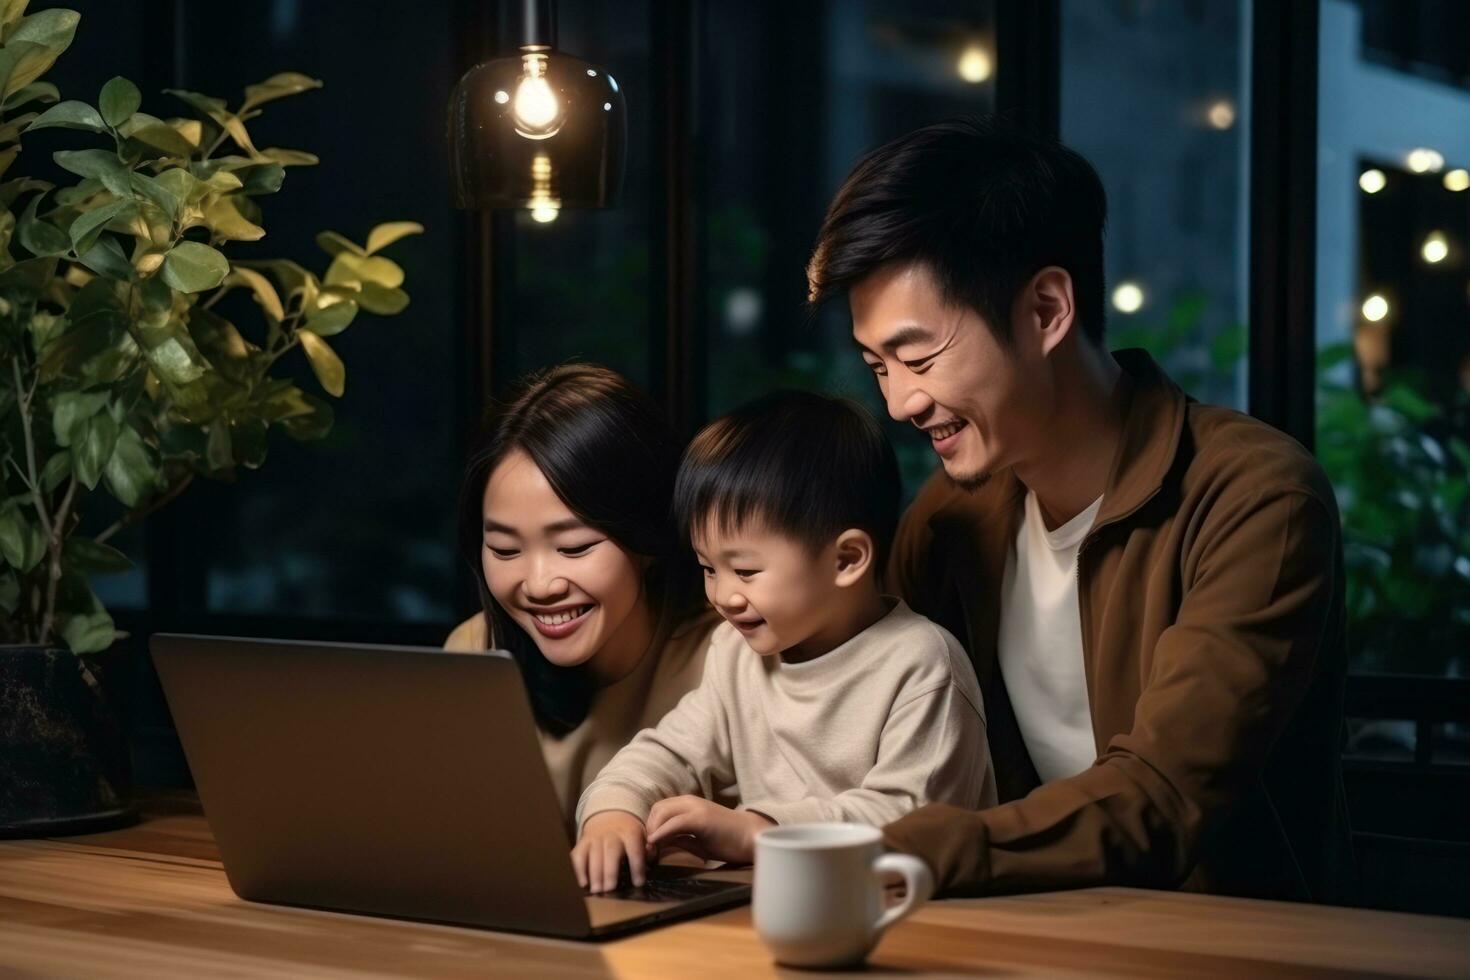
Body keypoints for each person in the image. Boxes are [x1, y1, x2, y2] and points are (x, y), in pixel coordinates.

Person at [805, 116, 1353, 902]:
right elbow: (855, 693)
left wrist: (910, 850)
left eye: (919, 358)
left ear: (1047, 310)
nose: (899, 401)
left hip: (1237, 949)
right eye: (876, 366)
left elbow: (1162, 798)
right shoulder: (952, 521)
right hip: (1034, 937)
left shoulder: (1255, 497)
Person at [572, 391, 996, 894]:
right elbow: (671, 752)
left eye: (746, 571)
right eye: (709, 569)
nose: (722, 596)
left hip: (921, 913)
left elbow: (911, 818)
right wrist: (615, 808)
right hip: (786, 905)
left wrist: (761, 830)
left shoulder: (922, 664)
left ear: (846, 560)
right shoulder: (735, 653)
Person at [444, 364, 719, 833]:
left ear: (646, 536)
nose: (539, 584)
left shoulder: (729, 657)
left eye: (574, 548)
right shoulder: (475, 651)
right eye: (505, 550)